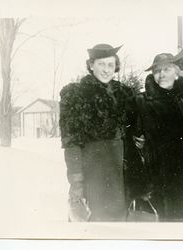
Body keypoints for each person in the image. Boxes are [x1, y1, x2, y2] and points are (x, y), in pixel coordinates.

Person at [59, 44, 132, 221]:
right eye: (101, 64)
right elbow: (71, 142)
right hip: (92, 175)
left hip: (119, 176)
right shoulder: (76, 95)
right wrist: (77, 182)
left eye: (110, 65)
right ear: (91, 65)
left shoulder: (124, 94)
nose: (106, 70)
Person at [127, 50, 183, 221]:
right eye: (157, 71)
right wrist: (135, 138)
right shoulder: (141, 102)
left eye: (166, 70)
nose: (161, 75)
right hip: (157, 179)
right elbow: (131, 137)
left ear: (177, 72)